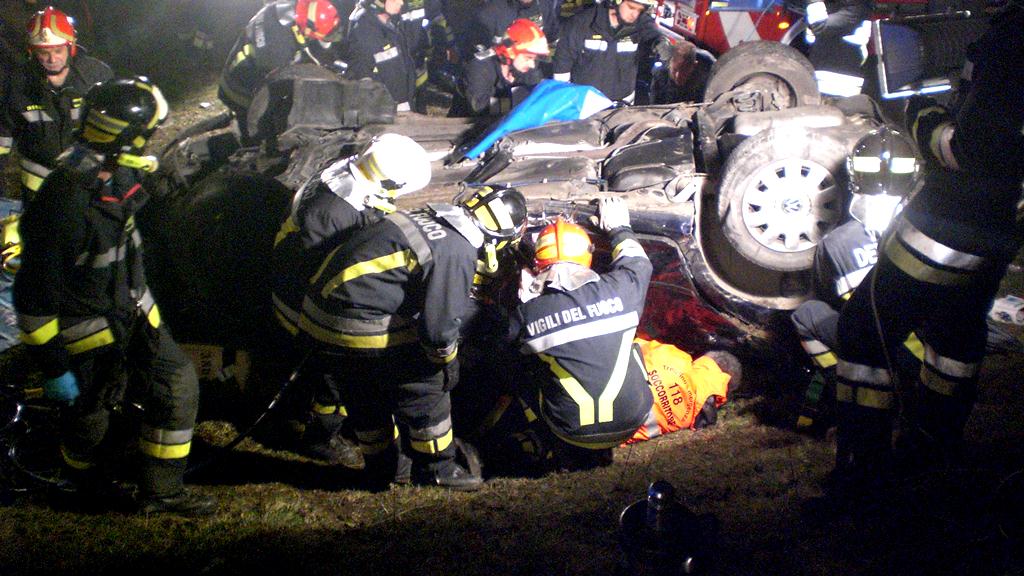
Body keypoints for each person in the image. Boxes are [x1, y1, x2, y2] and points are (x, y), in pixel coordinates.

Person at [832, 3, 1024, 496]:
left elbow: (971, 149)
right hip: (999, 225)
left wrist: (925, 115)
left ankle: (862, 474)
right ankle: (934, 452)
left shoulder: (1011, 39)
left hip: (950, 224)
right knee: (955, 340)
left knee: (864, 332)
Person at [12, 77, 217, 516]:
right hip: (86, 330)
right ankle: (83, 483)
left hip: (133, 315)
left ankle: (161, 493)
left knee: (178, 384)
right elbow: (32, 296)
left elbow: (129, 227)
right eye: (148, 134)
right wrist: (54, 367)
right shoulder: (65, 202)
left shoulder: (111, 173)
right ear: (126, 138)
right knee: (90, 421)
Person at [297, 184, 528, 490]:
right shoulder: (457, 251)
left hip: (319, 315)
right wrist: (447, 366)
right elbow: (438, 332)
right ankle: (438, 469)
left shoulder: (429, 214)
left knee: (362, 391)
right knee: (426, 388)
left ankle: (383, 468)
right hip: (356, 325)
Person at [270, 133, 431, 468]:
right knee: (337, 369)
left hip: (297, 281)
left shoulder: (346, 176)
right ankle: (320, 436)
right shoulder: (334, 214)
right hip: (300, 301)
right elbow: (332, 276)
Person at [790, 126, 922, 435]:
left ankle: (840, 381)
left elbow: (826, 293)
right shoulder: (925, 229)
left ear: (854, 176)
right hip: (927, 351)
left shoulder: (837, 242)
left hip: (875, 346)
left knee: (805, 314)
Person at [507, 200, 653, 466]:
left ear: (538, 264)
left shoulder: (527, 316)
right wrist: (620, 228)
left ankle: (538, 433)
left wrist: (526, 300)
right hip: (633, 419)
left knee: (523, 365)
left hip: (567, 431)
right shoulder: (621, 289)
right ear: (588, 257)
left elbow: (500, 347)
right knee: (633, 346)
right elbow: (638, 263)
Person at [0, 6, 112, 203]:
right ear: (32, 51)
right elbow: (2, 140)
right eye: (44, 52)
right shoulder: (18, 86)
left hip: (91, 180)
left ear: (71, 46)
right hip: (38, 187)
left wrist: (112, 170)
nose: (52, 59)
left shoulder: (97, 76)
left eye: (58, 50)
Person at [218, 0, 344, 142]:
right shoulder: (277, 48)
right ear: (307, 27)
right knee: (259, 136)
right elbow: (276, 88)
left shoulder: (290, 9)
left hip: (250, 73)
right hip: (239, 89)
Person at [551, 0, 663, 103]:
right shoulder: (582, 24)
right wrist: (565, 99)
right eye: (631, 7)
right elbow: (562, 63)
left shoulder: (641, 25)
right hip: (585, 104)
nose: (635, 14)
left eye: (640, 10)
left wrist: (662, 45)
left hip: (622, 104)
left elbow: (654, 37)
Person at [450, 18, 548, 117]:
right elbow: (479, 106)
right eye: (528, 58)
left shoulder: (521, 67)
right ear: (510, 52)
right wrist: (517, 102)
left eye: (534, 59)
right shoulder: (480, 67)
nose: (532, 65)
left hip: (506, 123)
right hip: (464, 125)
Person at [344, 0, 418, 112]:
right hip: (383, 116)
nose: (401, 3)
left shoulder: (389, 23)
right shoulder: (365, 29)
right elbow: (362, 78)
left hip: (399, 108)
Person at [803, 0, 871, 98]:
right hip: (823, 78)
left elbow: (819, 27)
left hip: (841, 86)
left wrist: (814, 2)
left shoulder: (856, 9)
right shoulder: (837, 6)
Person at [461, 0, 560, 61]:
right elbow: (476, 56)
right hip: (501, 73)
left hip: (533, 68)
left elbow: (552, 38)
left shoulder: (544, 5)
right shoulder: (490, 12)